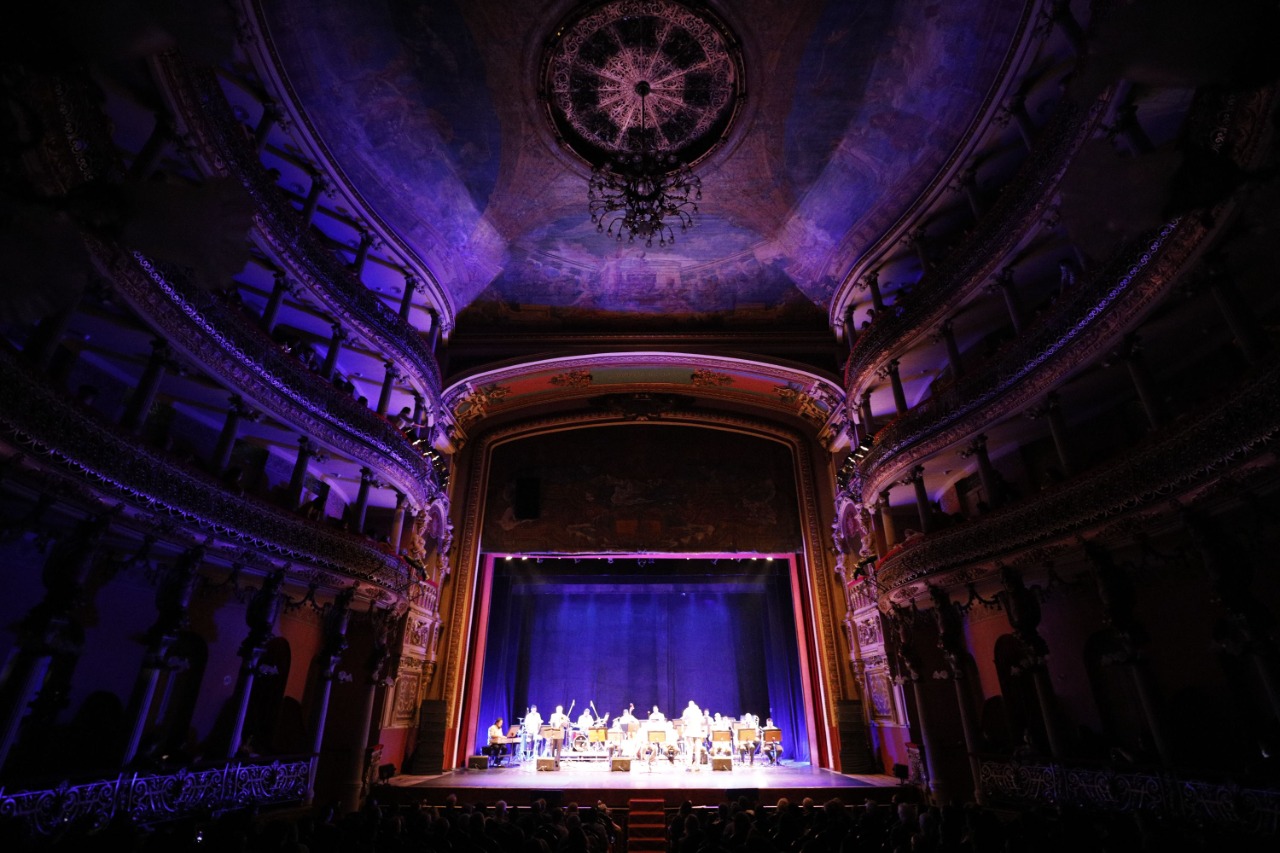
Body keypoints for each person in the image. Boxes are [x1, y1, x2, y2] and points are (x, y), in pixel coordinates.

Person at [681, 700, 704, 766]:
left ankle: (689, 764)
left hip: (690, 732)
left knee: (690, 749)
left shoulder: (687, 711)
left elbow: (683, 719)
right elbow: (702, 720)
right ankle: (697, 765)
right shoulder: (698, 711)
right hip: (697, 732)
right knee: (697, 749)